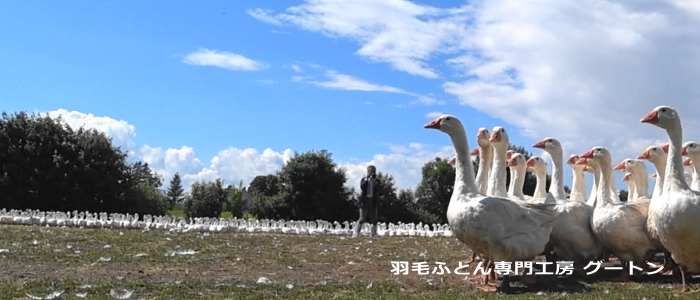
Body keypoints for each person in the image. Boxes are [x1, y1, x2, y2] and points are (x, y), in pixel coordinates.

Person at [352, 165, 381, 238]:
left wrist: (374, 182)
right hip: (364, 201)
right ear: (367, 171)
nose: (372, 173)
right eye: (370, 171)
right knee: (362, 218)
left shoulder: (377, 181)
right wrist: (367, 180)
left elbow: (378, 189)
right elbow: (362, 187)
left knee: (374, 219)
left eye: (373, 171)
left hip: (373, 201)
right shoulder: (364, 179)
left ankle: (373, 234)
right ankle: (356, 233)